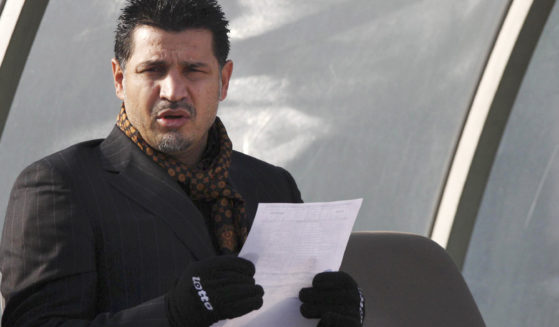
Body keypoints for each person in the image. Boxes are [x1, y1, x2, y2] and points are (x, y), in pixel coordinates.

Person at [0, 0, 364, 326]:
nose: (173, 91)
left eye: (193, 70)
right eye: (153, 70)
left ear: (223, 81)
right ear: (119, 78)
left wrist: (345, 315)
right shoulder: (61, 184)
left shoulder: (272, 185)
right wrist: (173, 314)